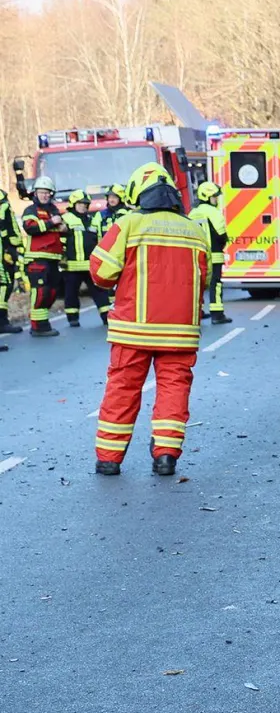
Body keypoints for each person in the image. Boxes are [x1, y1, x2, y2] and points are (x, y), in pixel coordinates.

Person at [89, 163, 210, 477]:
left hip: (134, 329)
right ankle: (166, 456)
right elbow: (204, 280)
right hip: (181, 333)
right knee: (173, 390)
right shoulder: (195, 229)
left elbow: (101, 272)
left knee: (122, 390)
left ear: (137, 193)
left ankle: (109, 459)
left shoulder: (129, 223)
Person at [19, 176, 66, 336]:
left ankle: (44, 323)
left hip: (53, 259)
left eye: (47, 193)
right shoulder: (31, 210)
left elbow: (62, 230)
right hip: (37, 259)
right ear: (36, 194)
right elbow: (29, 227)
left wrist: (65, 228)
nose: (45, 195)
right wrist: (51, 222)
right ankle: (37, 327)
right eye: (42, 192)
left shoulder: (54, 210)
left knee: (52, 292)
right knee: (40, 292)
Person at [61, 189, 113, 327]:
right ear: (73, 204)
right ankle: (72, 318)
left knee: (99, 291)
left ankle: (106, 316)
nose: (83, 206)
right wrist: (62, 259)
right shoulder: (65, 219)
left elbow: (98, 239)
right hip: (72, 265)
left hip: (90, 264)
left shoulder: (91, 220)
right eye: (80, 203)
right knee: (71, 292)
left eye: (85, 204)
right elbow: (60, 241)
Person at [190, 181, 232, 324]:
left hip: (196, 255)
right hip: (214, 255)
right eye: (214, 197)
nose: (216, 200)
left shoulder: (193, 213)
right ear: (207, 196)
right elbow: (221, 234)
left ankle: (198, 312)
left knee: (197, 284)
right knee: (215, 284)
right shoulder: (213, 212)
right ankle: (217, 314)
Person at [0, 189, 23, 335]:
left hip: (5, 251)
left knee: (5, 287)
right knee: (3, 286)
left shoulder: (3, 202)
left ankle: (3, 321)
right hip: (4, 251)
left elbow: (11, 228)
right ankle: (2, 322)